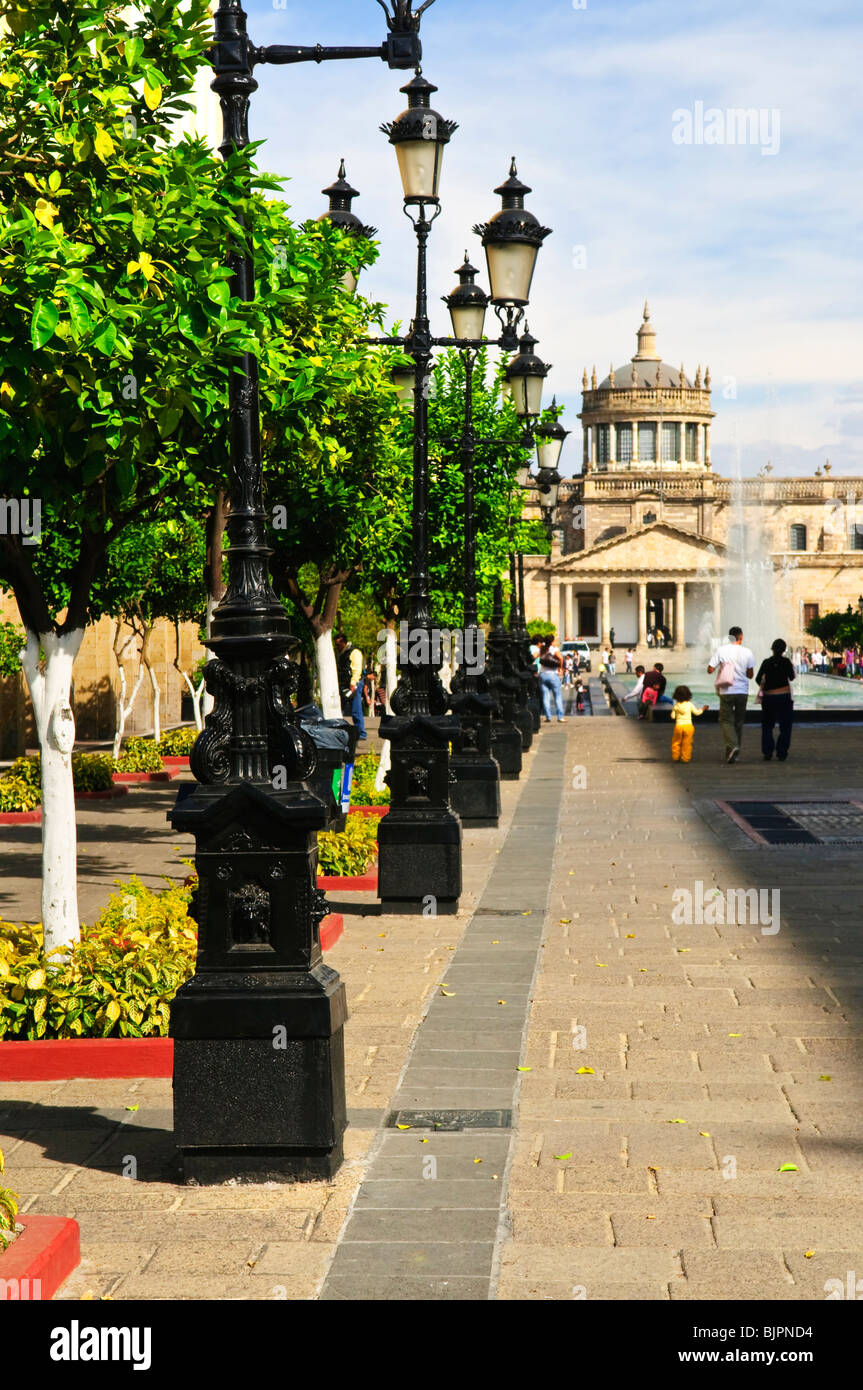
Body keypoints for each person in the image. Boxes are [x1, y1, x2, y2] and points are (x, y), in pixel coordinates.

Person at [708, 625, 755, 763]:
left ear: (729, 637)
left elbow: (710, 669)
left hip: (727, 690)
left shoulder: (721, 650)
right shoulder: (747, 652)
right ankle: (735, 753)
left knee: (725, 720)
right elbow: (750, 674)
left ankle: (733, 746)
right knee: (739, 722)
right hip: (742, 691)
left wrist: (722, 667)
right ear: (741, 637)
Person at [756, 637, 796, 761]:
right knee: (785, 725)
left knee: (767, 725)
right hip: (784, 696)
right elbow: (792, 677)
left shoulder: (766, 662)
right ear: (784, 650)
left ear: (772, 649)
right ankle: (782, 751)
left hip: (769, 697)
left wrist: (766, 684)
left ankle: (767, 752)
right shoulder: (786, 662)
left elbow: (758, 679)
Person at [335, 632, 367, 741]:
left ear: (344, 642)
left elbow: (356, 669)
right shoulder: (343, 653)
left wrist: (353, 683)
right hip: (345, 684)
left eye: (338, 644)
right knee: (340, 708)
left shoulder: (354, 652)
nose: (337, 647)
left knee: (356, 709)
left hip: (354, 684)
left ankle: (361, 733)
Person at [670, 684, 708, 763]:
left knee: (676, 742)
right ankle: (685, 758)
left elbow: (673, 717)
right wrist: (703, 709)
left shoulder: (676, 705)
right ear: (688, 695)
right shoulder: (689, 704)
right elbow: (697, 713)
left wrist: (674, 713)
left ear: (676, 695)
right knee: (687, 743)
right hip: (688, 726)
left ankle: (676, 757)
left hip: (678, 726)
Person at [537, 635, 565, 723]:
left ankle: (548, 716)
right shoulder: (554, 649)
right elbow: (560, 658)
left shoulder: (541, 649)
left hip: (543, 674)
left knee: (546, 696)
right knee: (557, 696)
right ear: (552, 641)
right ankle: (560, 717)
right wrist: (560, 668)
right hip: (552, 674)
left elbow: (535, 656)